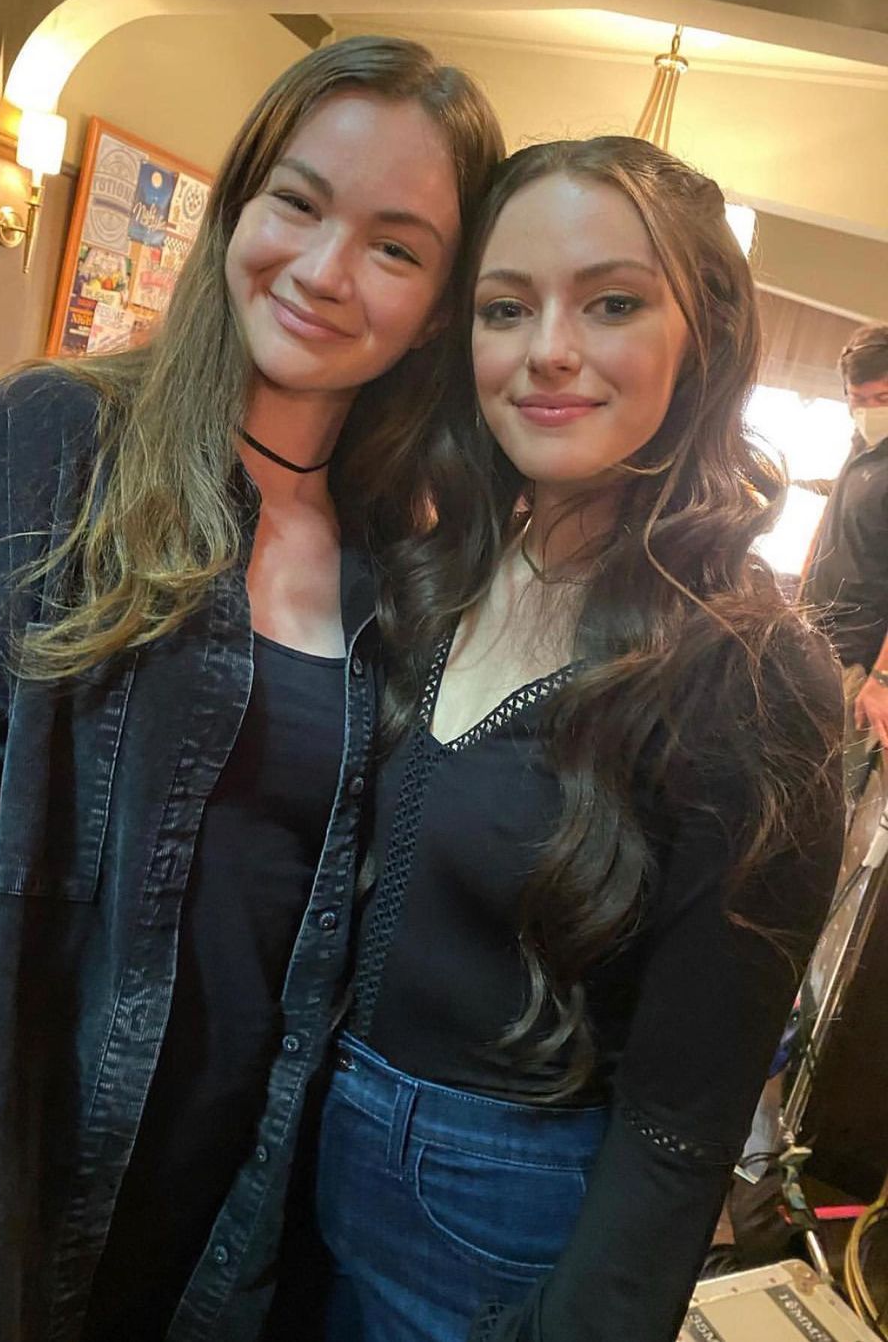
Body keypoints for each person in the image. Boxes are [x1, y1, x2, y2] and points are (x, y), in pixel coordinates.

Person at [0, 37, 503, 1342]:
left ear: (439, 305)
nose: (324, 268)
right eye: (298, 201)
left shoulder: (408, 567)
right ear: (238, 204)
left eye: (396, 247)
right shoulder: (52, 442)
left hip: (228, 1239)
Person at [316, 136, 845, 1342]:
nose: (547, 348)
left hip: (504, 1224)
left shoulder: (754, 677)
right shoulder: (430, 570)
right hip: (306, 1152)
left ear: (704, 336)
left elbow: (683, 1122)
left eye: (611, 303)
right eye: (506, 308)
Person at [803, 323, 888, 799]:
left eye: (884, 398)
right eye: (859, 399)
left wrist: (883, 680)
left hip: (860, 666)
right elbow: (829, 530)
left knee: (830, 802)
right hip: (815, 642)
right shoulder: (861, 449)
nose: (870, 410)